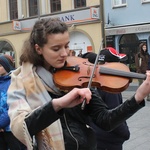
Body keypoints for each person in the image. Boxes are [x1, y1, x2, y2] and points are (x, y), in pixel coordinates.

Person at [6, 18, 150, 150]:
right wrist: (58, 104)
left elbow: (106, 121)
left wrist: (137, 97)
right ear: (38, 49)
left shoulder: (78, 75)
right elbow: (21, 128)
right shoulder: (21, 81)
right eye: (56, 49)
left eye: (66, 46)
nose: (64, 53)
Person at [82, 48, 130, 150]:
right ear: (110, 65)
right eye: (118, 63)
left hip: (96, 137)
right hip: (110, 141)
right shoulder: (110, 86)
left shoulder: (92, 82)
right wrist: (125, 133)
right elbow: (116, 116)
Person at [0, 54, 26, 150]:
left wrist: (1, 123)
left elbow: (14, 106)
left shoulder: (14, 82)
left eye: (0, 66)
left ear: (6, 67)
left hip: (12, 128)